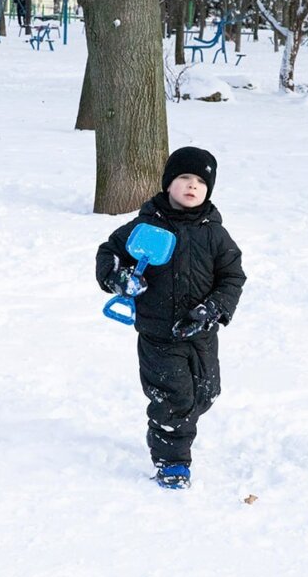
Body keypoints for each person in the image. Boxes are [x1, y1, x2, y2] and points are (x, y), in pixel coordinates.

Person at [96, 147, 246, 489]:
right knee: (173, 398)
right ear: (168, 185)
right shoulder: (145, 226)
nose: (192, 185)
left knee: (205, 394)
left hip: (201, 332)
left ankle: (179, 424)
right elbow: (108, 254)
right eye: (183, 178)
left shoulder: (215, 234)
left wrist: (214, 309)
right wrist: (119, 278)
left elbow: (233, 277)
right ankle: (173, 461)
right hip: (159, 334)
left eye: (200, 181)